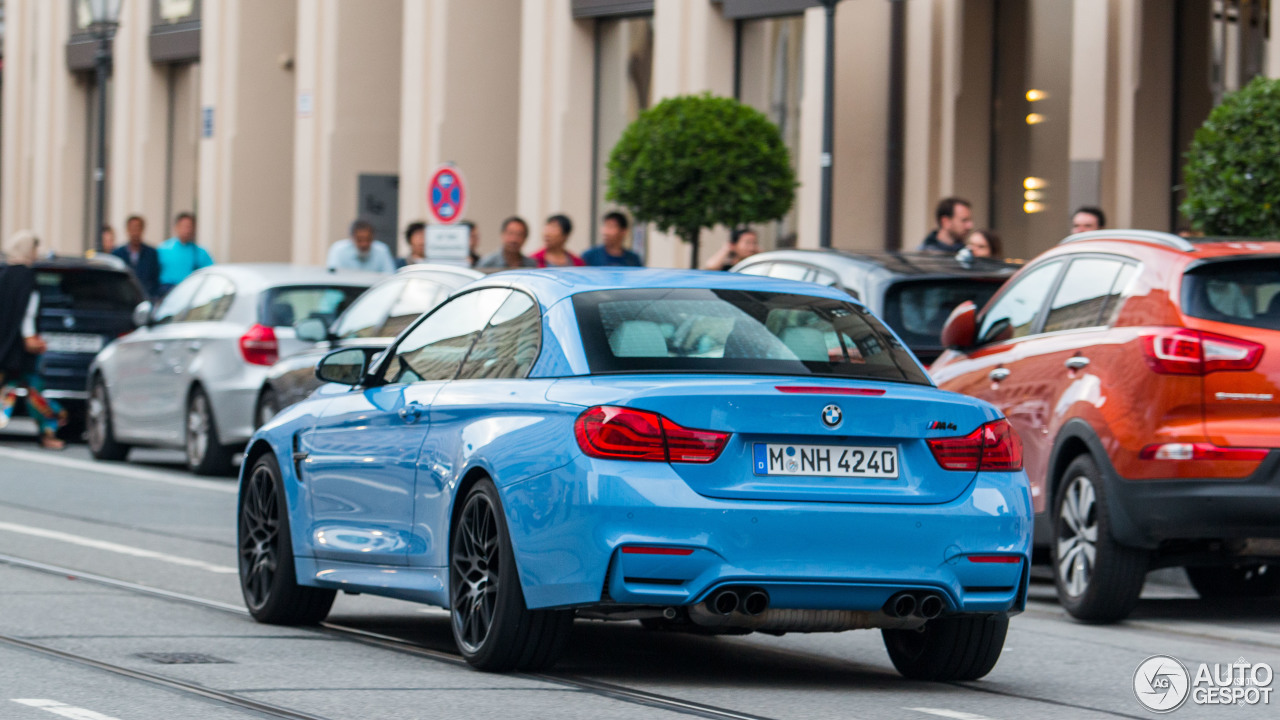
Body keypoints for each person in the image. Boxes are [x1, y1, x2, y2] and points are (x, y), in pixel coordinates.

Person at [0, 231, 66, 449]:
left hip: (4, 347)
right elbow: (27, 310)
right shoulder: (26, 276)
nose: (36, 254)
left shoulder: (4, 273)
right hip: (21, 349)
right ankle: (49, 432)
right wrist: (30, 338)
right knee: (34, 392)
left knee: (6, 391)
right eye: (34, 248)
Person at [157, 212, 214, 295]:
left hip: (191, 292)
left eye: (190, 227)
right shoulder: (163, 249)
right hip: (167, 291)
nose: (187, 230)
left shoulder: (200, 252)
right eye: (184, 226)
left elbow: (210, 273)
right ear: (176, 227)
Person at [111, 215, 162, 298]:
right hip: (123, 298)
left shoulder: (152, 253)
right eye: (132, 229)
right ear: (127, 230)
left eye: (138, 229)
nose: (135, 233)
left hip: (146, 298)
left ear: (142, 230)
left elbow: (155, 279)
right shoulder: (117, 254)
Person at [327, 219, 397, 273]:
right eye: (359, 240)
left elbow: (389, 276)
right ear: (352, 238)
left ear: (373, 237)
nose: (364, 244)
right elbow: (334, 277)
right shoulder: (339, 250)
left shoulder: (382, 250)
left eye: (368, 239)